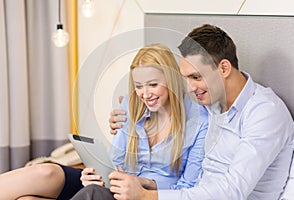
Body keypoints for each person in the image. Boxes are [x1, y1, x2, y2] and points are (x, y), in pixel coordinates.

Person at [106, 24, 294, 200]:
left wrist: (147, 196)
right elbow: (167, 105)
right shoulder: (210, 106)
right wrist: (128, 113)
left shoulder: (264, 113)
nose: (190, 88)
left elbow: (233, 190)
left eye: (196, 77)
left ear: (223, 68)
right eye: (186, 78)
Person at [0, 43, 208, 200]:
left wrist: (143, 184)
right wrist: (96, 174)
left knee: (91, 193)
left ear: (171, 80)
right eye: (138, 86)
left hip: (145, 195)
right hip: (115, 188)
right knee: (45, 174)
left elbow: (188, 187)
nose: (145, 94)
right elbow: (116, 164)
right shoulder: (131, 107)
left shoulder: (198, 121)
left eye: (153, 84)